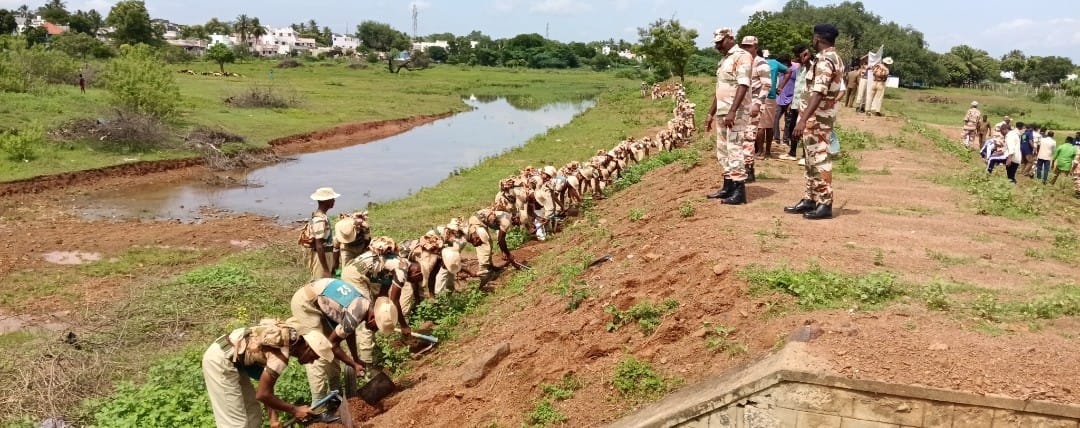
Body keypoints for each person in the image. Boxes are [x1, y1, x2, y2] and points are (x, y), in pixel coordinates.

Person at [202, 318, 334, 428]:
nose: (312, 362)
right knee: (235, 424)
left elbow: (265, 387)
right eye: (314, 357)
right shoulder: (281, 355)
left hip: (234, 361)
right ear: (307, 347)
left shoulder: (285, 339)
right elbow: (262, 394)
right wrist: (295, 410)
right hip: (220, 361)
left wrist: (273, 419)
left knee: (253, 415)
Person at [289, 277, 399, 402]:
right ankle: (320, 405)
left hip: (318, 298)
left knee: (326, 347)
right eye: (378, 326)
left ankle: (336, 395)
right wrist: (353, 364)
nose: (376, 330)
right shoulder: (355, 314)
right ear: (373, 317)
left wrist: (355, 358)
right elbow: (332, 345)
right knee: (316, 351)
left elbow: (348, 331)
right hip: (306, 303)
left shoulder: (365, 304)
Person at [783, 23, 845, 220]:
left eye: (813, 37)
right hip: (815, 119)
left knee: (819, 159)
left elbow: (819, 92)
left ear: (818, 38)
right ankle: (810, 198)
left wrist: (803, 120)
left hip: (817, 119)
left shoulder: (827, 60)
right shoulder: (826, 59)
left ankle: (825, 203)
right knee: (810, 160)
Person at [704, 29, 753, 205]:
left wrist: (733, 110)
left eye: (720, 42)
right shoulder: (725, 59)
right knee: (722, 150)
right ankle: (728, 186)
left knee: (734, 150)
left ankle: (739, 191)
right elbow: (720, 89)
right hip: (722, 112)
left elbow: (743, 85)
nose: (717, 46)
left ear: (730, 38)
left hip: (736, 113)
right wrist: (711, 113)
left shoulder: (742, 56)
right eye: (716, 43)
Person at [467, 206, 527, 285]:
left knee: (489, 244)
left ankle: (490, 267)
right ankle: (484, 274)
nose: (517, 225)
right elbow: (501, 240)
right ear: (516, 217)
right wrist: (509, 255)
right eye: (518, 223)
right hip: (476, 222)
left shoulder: (507, 216)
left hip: (479, 221)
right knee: (485, 246)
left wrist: (503, 252)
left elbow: (500, 238)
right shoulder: (507, 221)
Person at [779, 45, 811, 162]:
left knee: (805, 129)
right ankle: (792, 152)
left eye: (801, 55)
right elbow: (797, 87)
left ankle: (804, 155)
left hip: (806, 104)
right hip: (795, 102)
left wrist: (807, 61)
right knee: (793, 127)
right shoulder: (798, 69)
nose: (799, 58)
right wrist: (792, 102)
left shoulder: (811, 67)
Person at [301, 187, 339, 280]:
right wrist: (325, 269)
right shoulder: (320, 220)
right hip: (322, 257)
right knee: (320, 284)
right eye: (332, 199)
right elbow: (319, 245)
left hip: (326, 254)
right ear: (326, 201)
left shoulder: (323, 217)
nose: (334, 201)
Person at [758, 47, 789, 160]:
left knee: (760, 126)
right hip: (771, 96)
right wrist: (780, 87)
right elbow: (788, 71)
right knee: (769, 126)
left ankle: (760, 152)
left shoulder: (756, 63)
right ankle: (767, 151)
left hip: (759, 97)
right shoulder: (775, 63)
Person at [773, 54, 795, 148]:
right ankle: (776, 138)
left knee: (788, 120)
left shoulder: (794, 70)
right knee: (775, 118)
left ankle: (786, 140)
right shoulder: (780, 70)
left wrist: (794, 100)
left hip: (790, 98)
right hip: (779, 98)